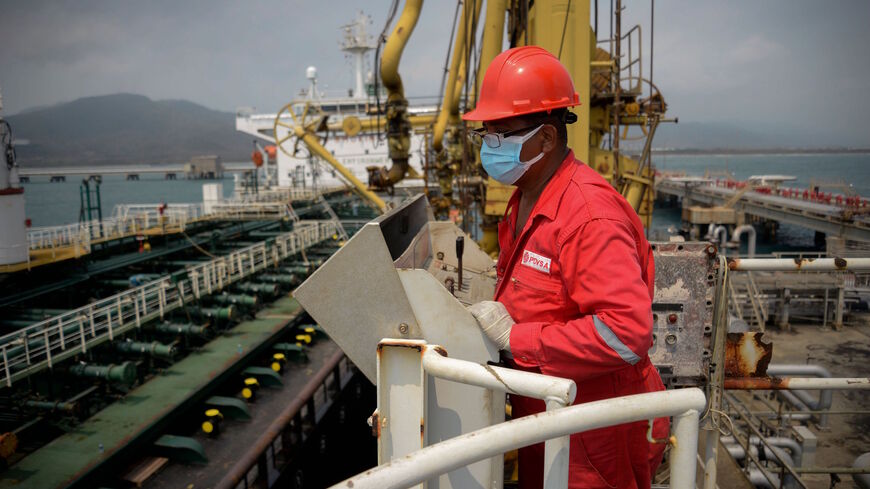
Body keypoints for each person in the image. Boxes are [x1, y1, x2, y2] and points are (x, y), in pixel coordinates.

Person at [464, 45, 668, 489]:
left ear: (548, 138)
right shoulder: (526, 197)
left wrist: (514, 337)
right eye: (486, 133)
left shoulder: (588, 215)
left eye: (502, 133)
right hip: (551, 414)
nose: (490, 145)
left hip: (592, 434)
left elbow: (626, 334)